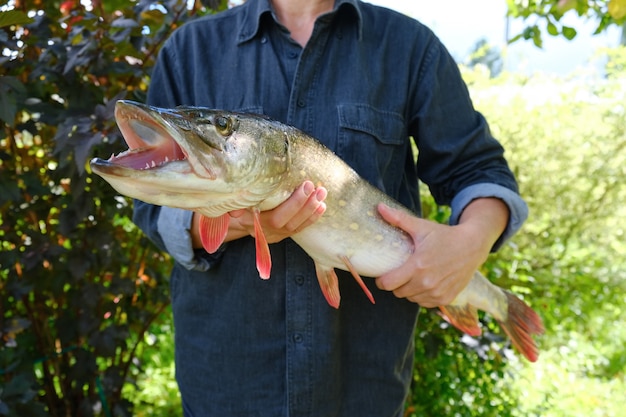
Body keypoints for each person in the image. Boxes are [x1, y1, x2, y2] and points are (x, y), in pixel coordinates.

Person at [132, 0, 528, 415]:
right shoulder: (190, 49)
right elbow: (152, 207)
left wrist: (469, 243)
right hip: (226, 384)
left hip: (363, 385)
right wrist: (230, 220)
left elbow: (478, 169)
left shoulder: (410, 46)